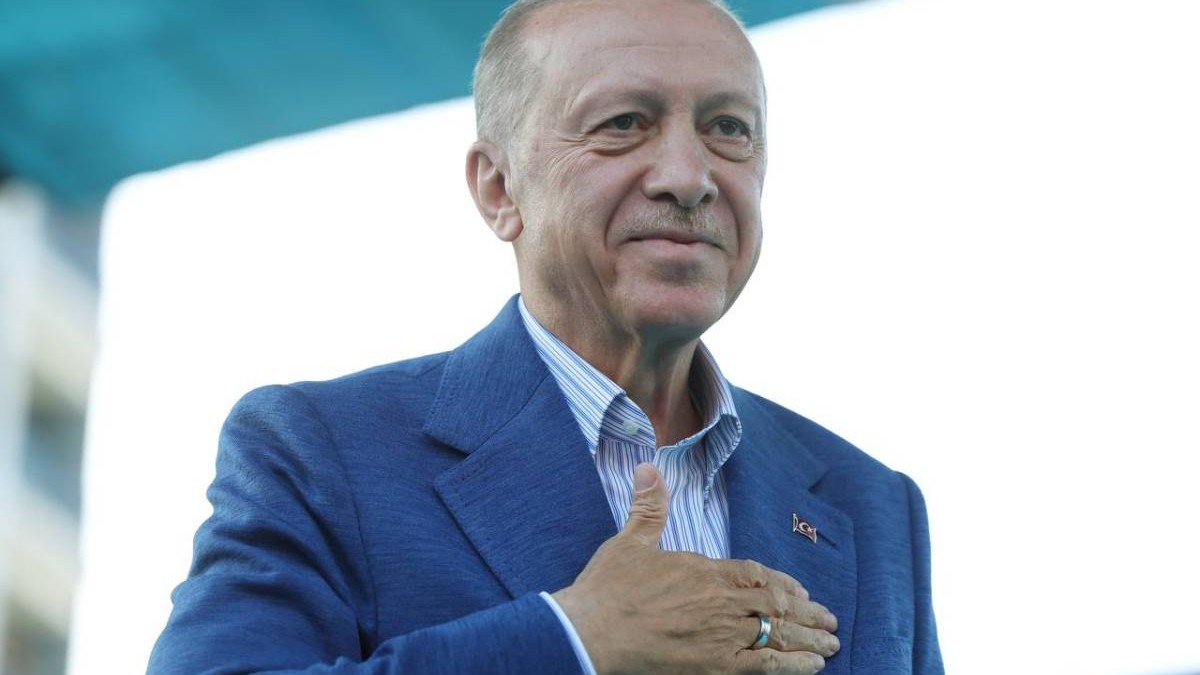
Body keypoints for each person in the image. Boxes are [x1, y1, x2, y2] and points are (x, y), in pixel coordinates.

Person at [147, 0, 943, 673]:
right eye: (624, 123)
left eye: (728, 128)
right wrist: (575, 639)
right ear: (499, 189)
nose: (689, 176)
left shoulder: (873, 506)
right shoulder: (320, 452)